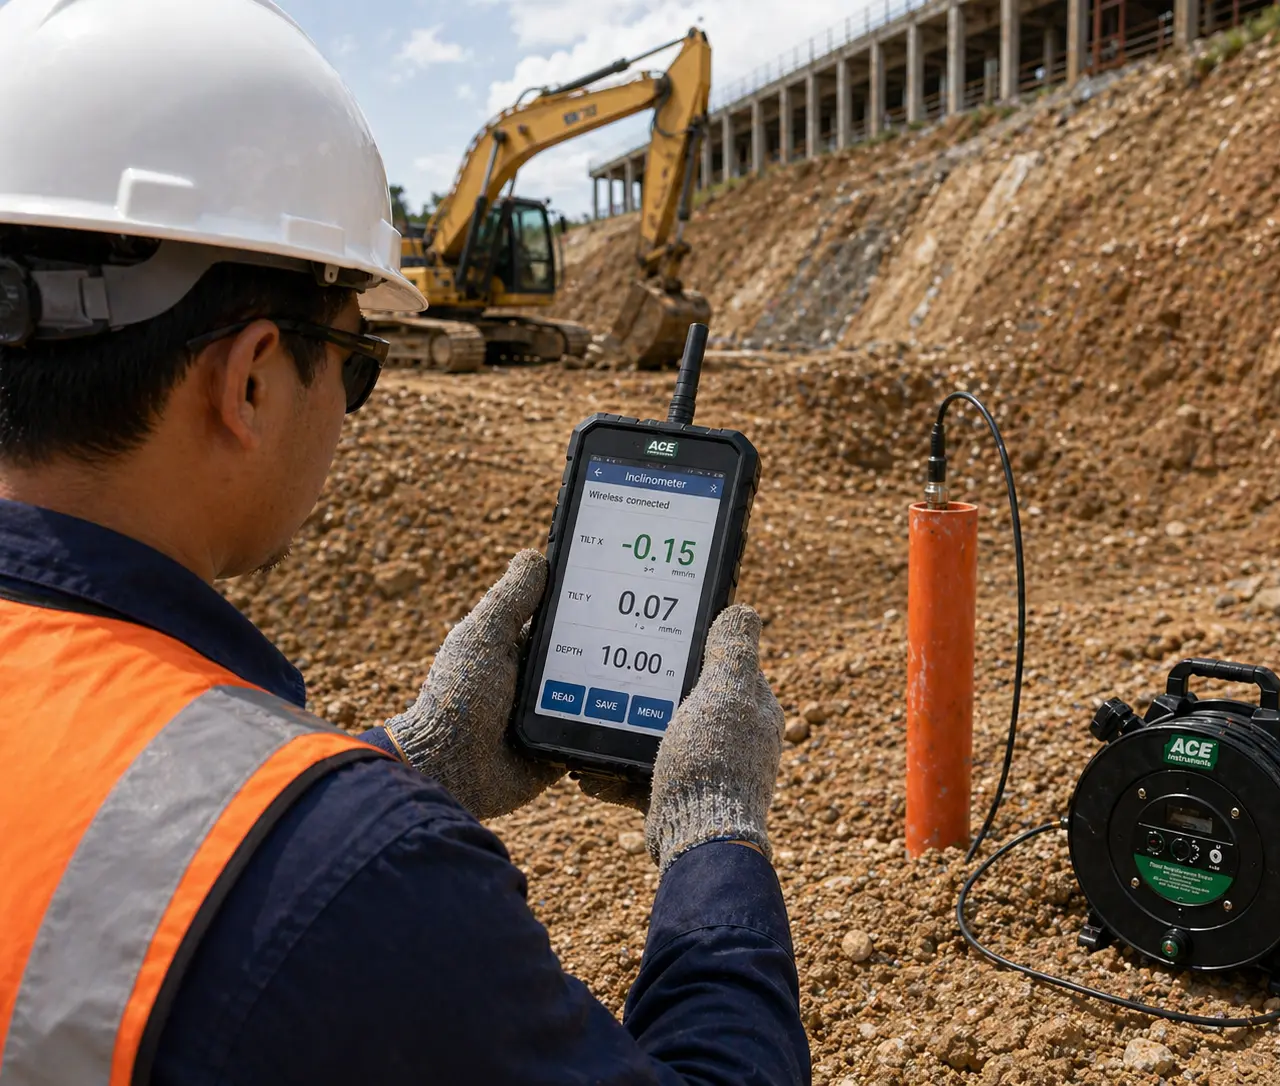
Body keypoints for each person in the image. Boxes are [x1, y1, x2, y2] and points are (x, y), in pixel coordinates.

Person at [0, 1, 809, 1084]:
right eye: (357, 360)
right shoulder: (363, 879)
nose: (353, 400)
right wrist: (715, 833)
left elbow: (106, 853)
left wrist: (413, 756)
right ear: (246, 381)